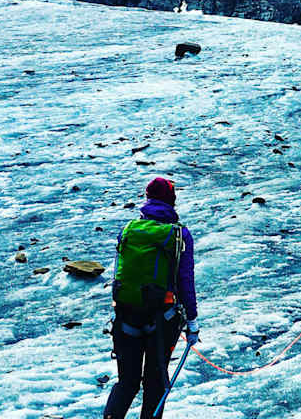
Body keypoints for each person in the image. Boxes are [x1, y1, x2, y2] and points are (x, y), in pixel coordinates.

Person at [104, 177, 199, 419]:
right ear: (172, 201)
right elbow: (185, 281)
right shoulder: (179, 235)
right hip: (162, 320)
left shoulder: (128, 229)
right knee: (155, 384)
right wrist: (193, 322)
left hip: (125, 316)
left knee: (127, 382)